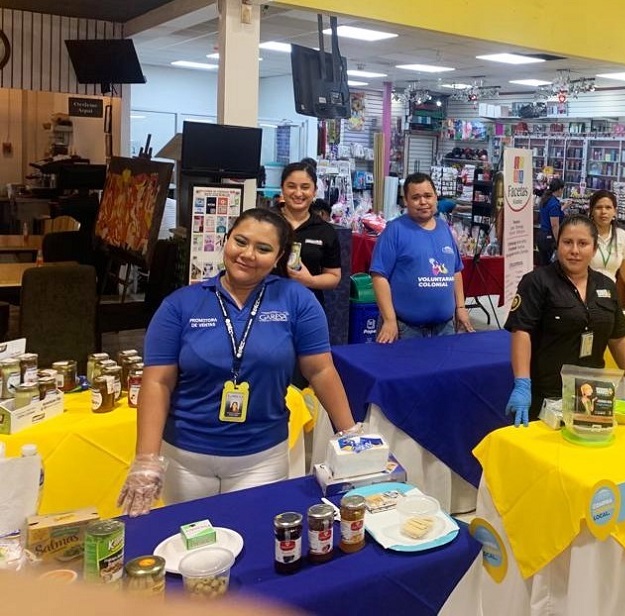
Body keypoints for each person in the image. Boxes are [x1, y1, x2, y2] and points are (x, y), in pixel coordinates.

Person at [117, 208, 361, 517]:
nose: (247, 254)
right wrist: (146, 460)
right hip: (185, 457)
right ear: (226, 240)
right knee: (193, 548)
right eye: (240, 242)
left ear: (279, 257)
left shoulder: (296, 301)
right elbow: (157, 381)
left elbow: (321, 370)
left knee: (251, 542)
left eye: (263, 249)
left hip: (261, 457)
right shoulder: (181, 304)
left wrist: (350, 434)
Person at [504, 214, 625, 427]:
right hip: (548, 395)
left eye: (583, 243)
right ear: (558, 245)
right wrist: (522, 384)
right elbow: (521, 332)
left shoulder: (607, 286)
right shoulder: (537, 282)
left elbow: (618, 338)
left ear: (595, 249)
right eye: (567, 242)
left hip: (592, 393)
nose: (574, 251)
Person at [370, 172, 475, 342]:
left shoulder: (444, 229)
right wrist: (389, 320)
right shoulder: (394, 230)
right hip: (406, 329)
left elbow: (456, 271)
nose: (423, 202)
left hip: (445, 328)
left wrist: (461, 307)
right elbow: (379, 276)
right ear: (406, 200)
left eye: (428, 196)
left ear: (436, 197)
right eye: (416, 197)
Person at [276, 161, 341, 306]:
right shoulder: (265, 222)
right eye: (291, 186)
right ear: (282, 188)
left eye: (305, 187)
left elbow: (334, 277)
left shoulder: (325, 230)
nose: (298, 193)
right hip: (266, 304)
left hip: (308, 306)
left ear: (314, 191)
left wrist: (309, 280)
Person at [587, 189, 625, 308]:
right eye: (599, 207)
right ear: (592, 211)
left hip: (609, 297)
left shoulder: (622, 236)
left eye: (608, 207)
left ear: (615, 211)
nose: (603, 212)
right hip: (583, 297)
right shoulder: (583, 235)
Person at [536, 177, 565, 266]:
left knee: (543, 264)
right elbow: (555, 225)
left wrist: (563, 207)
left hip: (541, 235)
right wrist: (558, 242)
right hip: (549, 238)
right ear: (560, 189)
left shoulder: (546, 200)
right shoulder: (554, 204)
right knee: (551, 266)